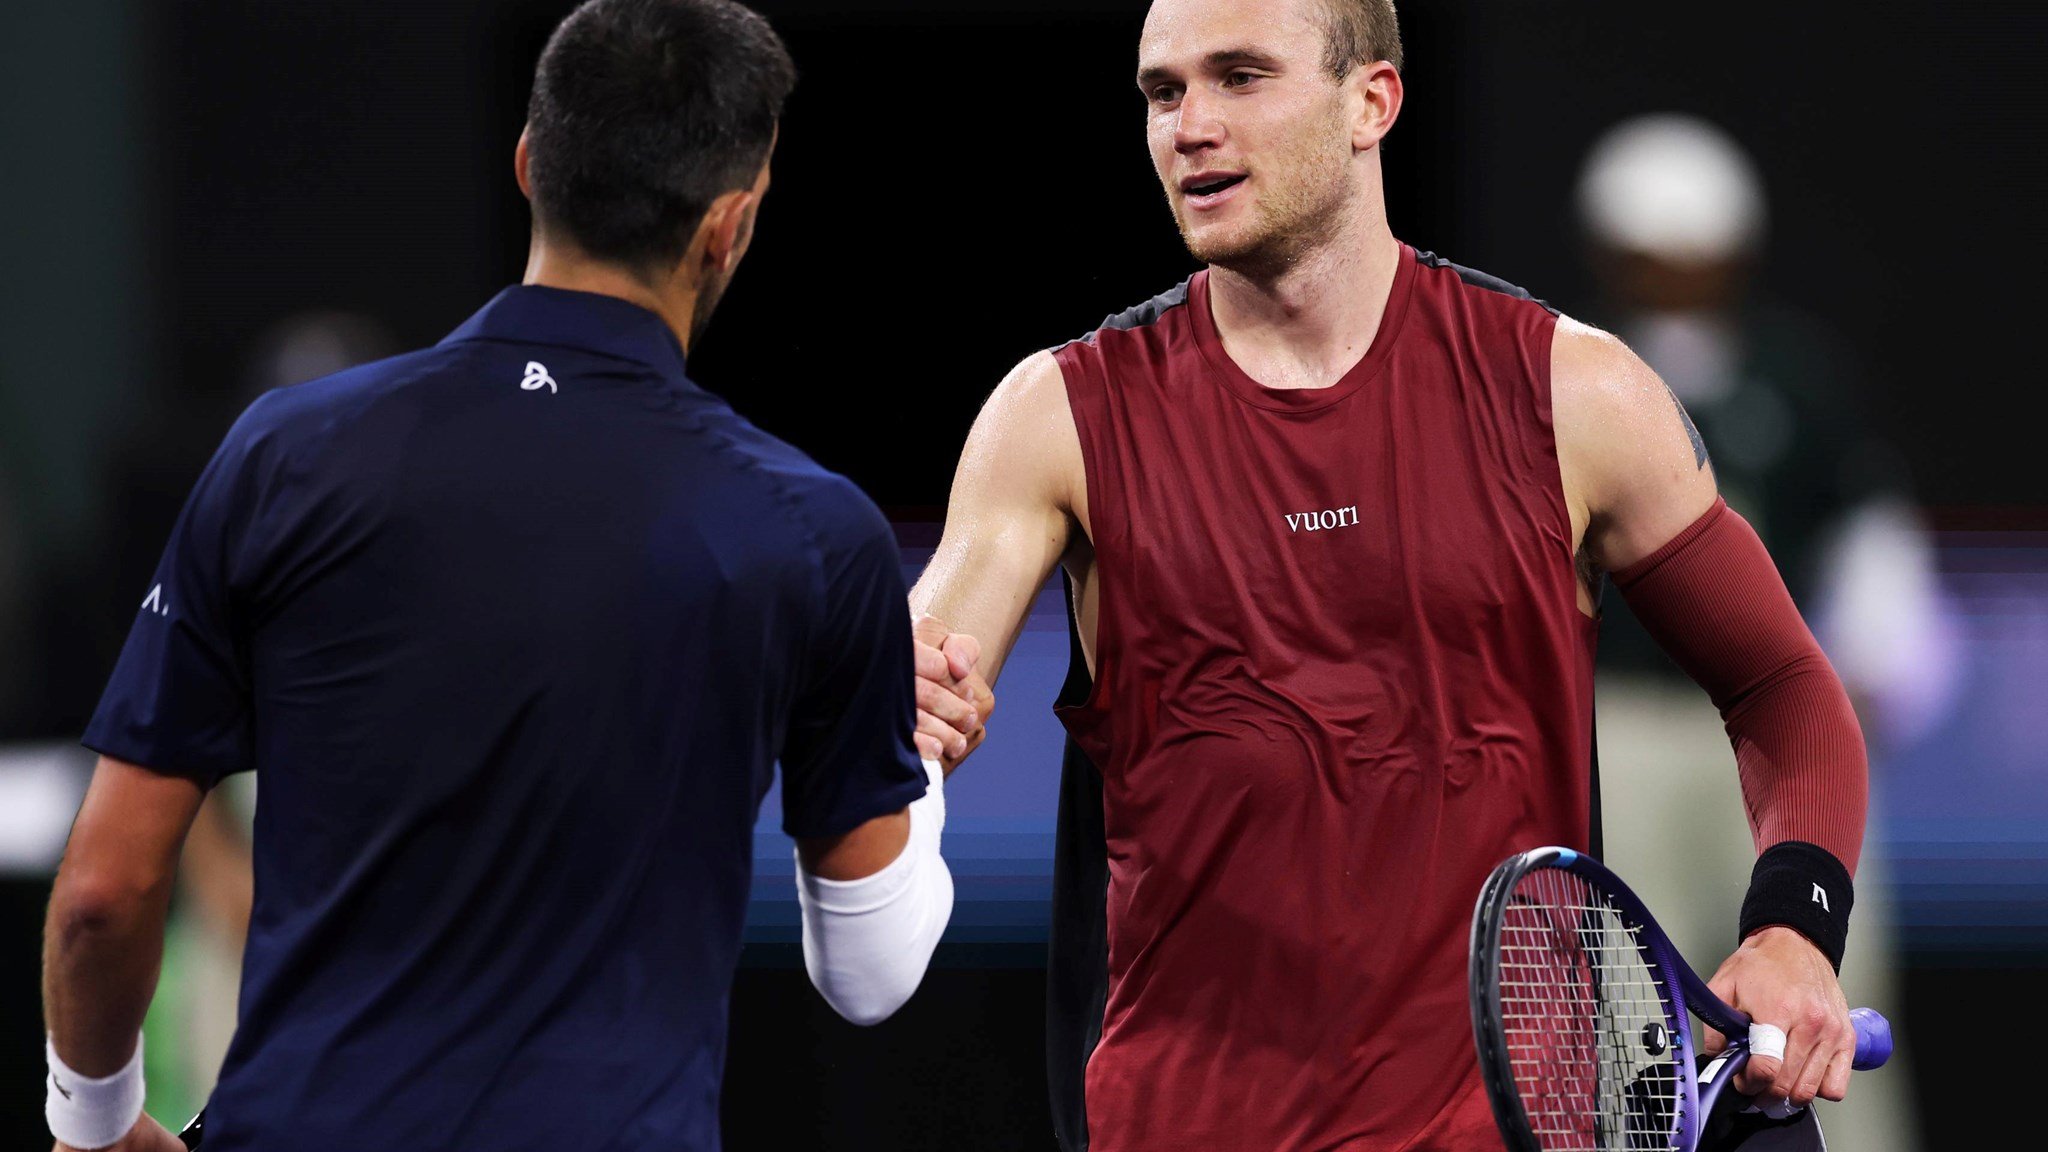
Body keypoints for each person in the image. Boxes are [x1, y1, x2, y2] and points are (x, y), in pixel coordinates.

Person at [909, 1, 1871, 1148]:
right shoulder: (1056, 415)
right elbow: (917, 687)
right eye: (1162, 93)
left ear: (1371, 101)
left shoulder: (1573, 395)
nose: (1189, 128)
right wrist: (898, 711)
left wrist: (1789, 932)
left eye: (1238, 78)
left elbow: (1780, 685)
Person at [40, 3, 954, 1150]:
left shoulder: (287, 455)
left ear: (528, 164)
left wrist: (94, 1123)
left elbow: (100, 895)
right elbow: (870, 977)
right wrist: (914, 746)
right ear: (732, 223)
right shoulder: (810, 530)